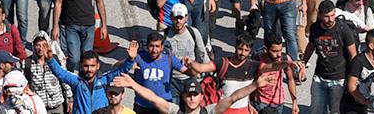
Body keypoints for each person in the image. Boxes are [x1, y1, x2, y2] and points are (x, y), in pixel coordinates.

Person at [110, 70, 276, 114]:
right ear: (182, 96)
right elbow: (154, 99)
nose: (192, 98)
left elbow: (233, 97)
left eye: (195, 94)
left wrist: (255, 85)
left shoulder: (209, 111)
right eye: (188, 95)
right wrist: (133, 84)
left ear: (201, 96)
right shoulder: (176, 111)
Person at [302, 0, 357, 114]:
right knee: (316, 110)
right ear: (320, 14)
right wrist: (303, 63)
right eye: (326, 16)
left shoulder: (343, 29)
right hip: (319, 77)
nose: (330, 19)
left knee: (335, 111)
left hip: (339, 79)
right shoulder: (315, 28)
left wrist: (352, 76)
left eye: (332, 15)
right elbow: (311, 46)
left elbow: (353, 54)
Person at [47, 46, 136, 114]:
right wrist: (50, 60)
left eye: (92, 66)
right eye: (86, 66)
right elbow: (61, 74)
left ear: (98, 66)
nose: (89, 69)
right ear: (81, 66)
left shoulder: (104, 79)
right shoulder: (77, 82)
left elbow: (119, 71)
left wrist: (130, 59)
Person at [130, 32, 185, 114]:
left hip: (163, 104)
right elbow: (117, 66)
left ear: (162, 47)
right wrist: (130, 60)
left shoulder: (170, 59)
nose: (154, 50)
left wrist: (191, 64)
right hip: (142, 105)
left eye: (157, 46)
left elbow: (189, 72)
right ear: (147, 46)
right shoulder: (140, 57)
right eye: (151, 46)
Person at [25, 31, 73, 114]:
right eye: (37, 45)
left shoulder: (56, 60)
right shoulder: (27, 63)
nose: (41, 48)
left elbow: (65, 80)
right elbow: (24, 85)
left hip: (57, 106)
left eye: (44, 45)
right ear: (33, 46)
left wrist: (70, 99)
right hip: (39, 107)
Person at [342, 30, 374, 114]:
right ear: (371, 46)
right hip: (350, 103)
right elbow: (351, 86)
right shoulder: (358, 61)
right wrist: (364, 100)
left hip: (364, 103)